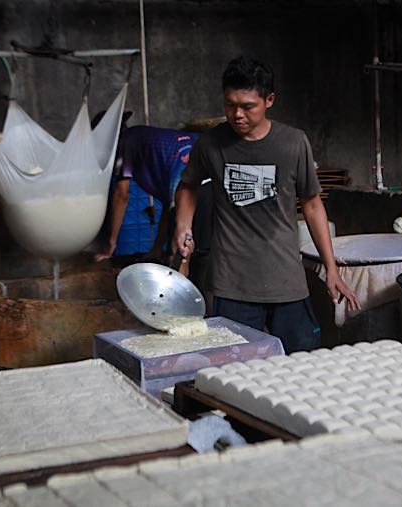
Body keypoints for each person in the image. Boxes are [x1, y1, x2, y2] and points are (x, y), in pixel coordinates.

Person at [172, 56, 360, 353]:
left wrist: (331, 268)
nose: (237, 114)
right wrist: (184, 229)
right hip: (231, 283)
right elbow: (187, 187)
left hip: (286, 280)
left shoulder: (293, 143)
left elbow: (312, 204)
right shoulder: (210, 144)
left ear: (269, 100)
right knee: (235, 371)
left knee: (302, 364)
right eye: (230, 104)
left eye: (247, 106)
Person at [93, 114, 199, 262]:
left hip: (184, 162)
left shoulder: (126, 143)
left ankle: (178, 269)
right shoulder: (142, 138)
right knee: (180, 220)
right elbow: (168, 207)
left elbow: (121, 195)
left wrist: (110, 245)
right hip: (198, 148)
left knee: (178, 242)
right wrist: (156, 249)